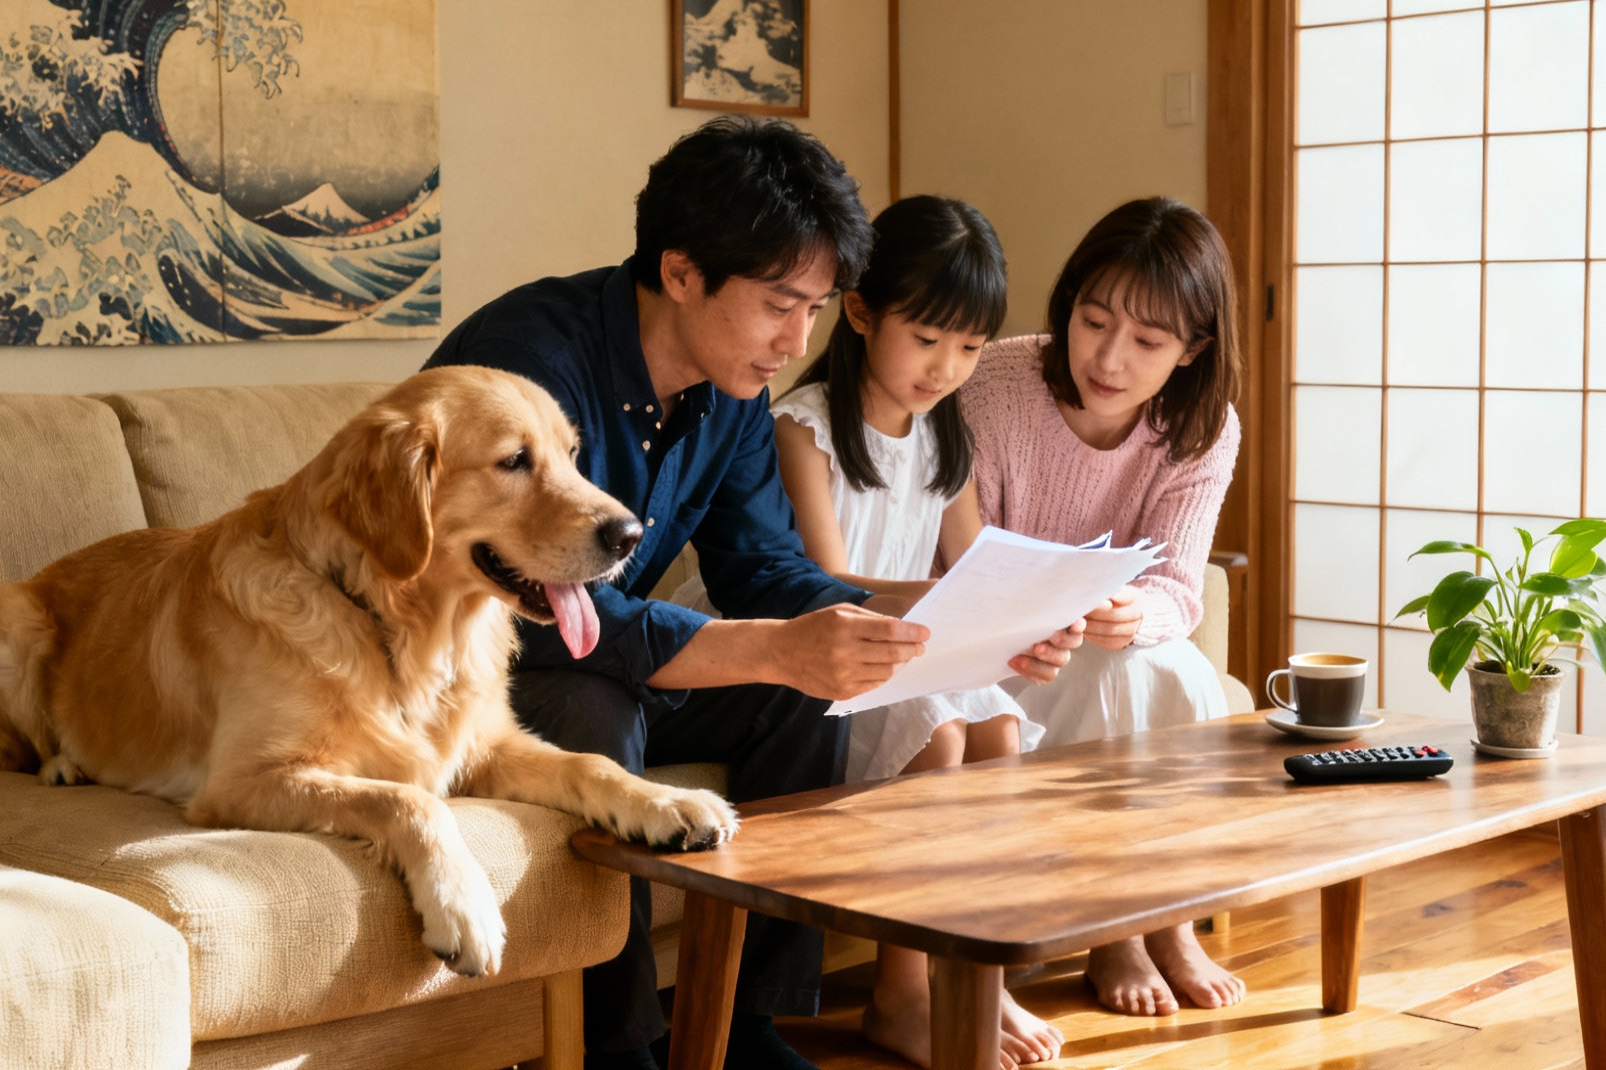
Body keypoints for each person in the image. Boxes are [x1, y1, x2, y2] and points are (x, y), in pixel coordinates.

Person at [423, 117, 1077, 1070]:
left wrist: (944, 623)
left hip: (608, 646)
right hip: (483, 659)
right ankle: (619, 1050)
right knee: (595, 706)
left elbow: (765, 568)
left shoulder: (729, 392)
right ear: (682, 271)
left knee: (800, 685)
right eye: (780, 304)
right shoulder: (532, 367)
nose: (796, 340)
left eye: (814, 308)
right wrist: (771, 644)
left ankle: (743, 1026)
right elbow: (553, 607)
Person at [680, 195, 1062, 1067]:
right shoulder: (804, 425)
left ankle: (976, 981)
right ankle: (900, 996)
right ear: (859, 312)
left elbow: (970, 567)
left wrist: (1029, 609)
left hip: (893, 639)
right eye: (927, 339)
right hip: (797, 638)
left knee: (1000, 726)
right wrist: (950, 600)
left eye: (968, 347)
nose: (946, 368)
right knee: (941, 732)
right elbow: (822, 584)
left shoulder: (943, 435)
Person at [960, 197, 1247, 1018]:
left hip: (1102, 641)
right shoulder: (995, 385)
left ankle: (1164, 915)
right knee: (1124, 675)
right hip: (1003, 650)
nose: (1109, 358)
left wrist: (1134, 611)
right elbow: (956, 556)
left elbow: (1180, 588)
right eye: (1092, 321)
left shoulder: (1202, 426)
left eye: (1149, 342)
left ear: (1193, 349)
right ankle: (1121, 927)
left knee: (1162, 663)